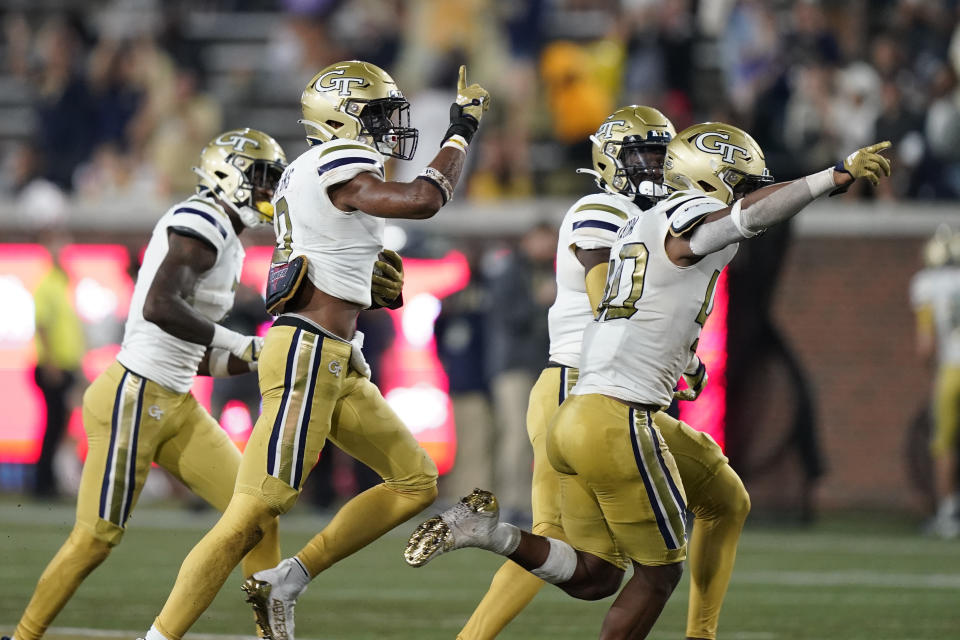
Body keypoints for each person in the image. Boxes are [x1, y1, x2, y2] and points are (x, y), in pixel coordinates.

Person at [406, 124, 892, 639]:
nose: (748, 194)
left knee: (606, 570)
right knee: (658, 572)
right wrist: (832, 177)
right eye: (740, 183)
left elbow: (639, 307)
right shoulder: (642, 213)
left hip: (592, 402)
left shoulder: (645, 223)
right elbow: (740, 219)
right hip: (599, 400)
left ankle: (491, 534)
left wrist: (680, 361)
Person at [140, 60, 489, 640]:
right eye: (376, 113)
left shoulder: (311, 173)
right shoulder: (335, 160)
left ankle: (289, 578)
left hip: (332, 354)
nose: (385, 125)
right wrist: (461, 130)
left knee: (415, 481)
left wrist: (362, 283)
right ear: (341, 118)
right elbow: (423, 199)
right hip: (307, 354)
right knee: (251, 514)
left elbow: (305, 266)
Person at [455, 105, 752, 640]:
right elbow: (608, 293)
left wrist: (682, 358)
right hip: (580, 380)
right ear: (607, 159)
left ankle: (702, 634)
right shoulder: (603, 205)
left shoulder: (662, 216)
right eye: (638, 153)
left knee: (724, 496)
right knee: (580, 557)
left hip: (609, 391)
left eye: (660, 154)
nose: (650, 165)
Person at [5, 128, 295, 640]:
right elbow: (159, 307)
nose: (270, 193)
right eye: (263, 180)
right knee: (96, 537)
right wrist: (245, 342)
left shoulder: (225, 235)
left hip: (173, 398)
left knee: (257, 515)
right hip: (135, 396)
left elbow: (194, 353)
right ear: (230, 176)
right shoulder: (201, 223)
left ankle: (272, 636)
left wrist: (256, 360)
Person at [910, 225, 960, 538]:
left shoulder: (927, 284)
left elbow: (926, 344)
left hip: (952, 370)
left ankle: (947, 514)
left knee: (944, 444)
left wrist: (931, 372)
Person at [31, 228, 85, 498]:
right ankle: (42, 483)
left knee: (59, 425)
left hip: (66, 365)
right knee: (52, 425)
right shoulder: (48, 285)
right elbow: (41, 325)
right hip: (53, 366)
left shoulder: (63, 284)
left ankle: (49, 480)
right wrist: (51, 362)